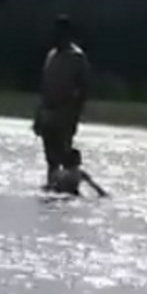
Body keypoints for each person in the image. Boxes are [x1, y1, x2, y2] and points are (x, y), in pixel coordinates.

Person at [33, 15, 90, 187]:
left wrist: (74, 115)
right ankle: (52, 187)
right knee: (50, 159)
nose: (55, 36)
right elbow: (44, 87)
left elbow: (84, 88)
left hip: (65, 113)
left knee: (64, 156)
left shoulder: (77, 57)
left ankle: (68, 188)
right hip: (48, 112)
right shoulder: (51, 55)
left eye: (59, 32)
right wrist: (38, 116)